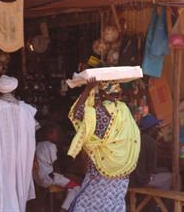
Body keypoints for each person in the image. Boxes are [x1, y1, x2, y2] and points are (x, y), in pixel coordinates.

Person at [67, 78, 141, 212]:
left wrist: (87, 89)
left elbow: (78, 113)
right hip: (121, 170)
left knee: (88, 204)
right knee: (113, 205)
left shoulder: (98, 112)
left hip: (100, 168)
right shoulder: (125, 111)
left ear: (103, 93)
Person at [0, 75, 37, 212]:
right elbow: (33, 132)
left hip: (1, 154)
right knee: (18, 181)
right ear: (15, 90)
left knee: (2, 181)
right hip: (21, 155)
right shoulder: (25, 109)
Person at [35, 125, 80, 212]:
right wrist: (62, 175)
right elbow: (55, 165)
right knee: (76, 187)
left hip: (38, 179)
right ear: (49, 134)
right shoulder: (51, 146)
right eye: (56, 134)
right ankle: (63, 209)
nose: (58, 136)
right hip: (49, 178)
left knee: (68, 186)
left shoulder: (37, 145)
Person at [130, 114, 172, 190]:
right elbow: (152, 169)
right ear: (150, 129)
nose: (159, 130)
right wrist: (167, 169)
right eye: (157, 128)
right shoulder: (151, 142)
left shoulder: (136, 138)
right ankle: (160, 200)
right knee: (172, 176)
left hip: (131, 180)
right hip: (142, 181)